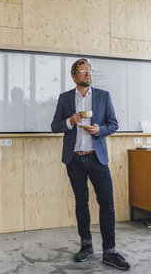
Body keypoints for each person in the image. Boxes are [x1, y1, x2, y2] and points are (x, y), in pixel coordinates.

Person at [51, 58, 130, 270]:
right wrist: (71, 121)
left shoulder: (104, 96)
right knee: (81, 202)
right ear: (74, 76)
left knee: (107, 204)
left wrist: (99, 130)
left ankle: (110, 251)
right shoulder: (65, 98)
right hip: (74, 159)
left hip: (97, 157)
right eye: (83, 71)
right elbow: (55, 126)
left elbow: (113, 124)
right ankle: (86, 245)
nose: (88, 74)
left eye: (89, 71)